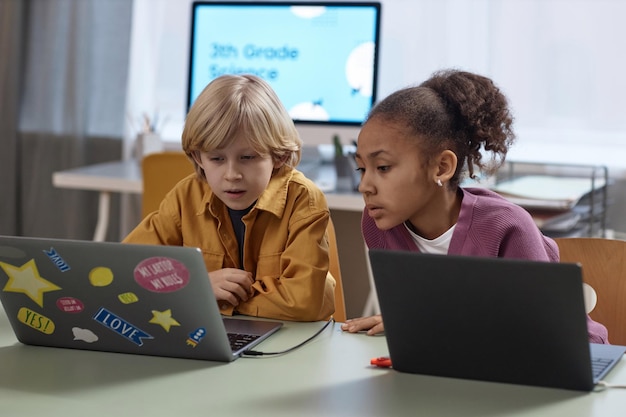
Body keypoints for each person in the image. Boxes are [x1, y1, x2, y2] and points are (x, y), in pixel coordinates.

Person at [340, 69, 609, 343]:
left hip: (576, 356)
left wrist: (427, 323)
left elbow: (542, 331)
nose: (365, 186)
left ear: (442, 167)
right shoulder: (378, 224)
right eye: (362, 169)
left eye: (383, 167)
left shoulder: (506, 226)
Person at [123, 74, 335, 321]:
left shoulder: (303, 200)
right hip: (211, 336)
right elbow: (129, 272)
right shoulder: (186, 196)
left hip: (290, 344)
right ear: (198, 157)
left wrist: (203, 295)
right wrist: (199, 286)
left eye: (247, 158)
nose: (232, 175)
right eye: (217, 159)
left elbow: (302, 303)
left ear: (277, 155)